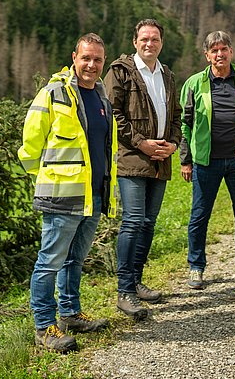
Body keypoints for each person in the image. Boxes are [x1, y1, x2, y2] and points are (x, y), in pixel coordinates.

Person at [19, 33, 117, 352]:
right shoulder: (53, 93)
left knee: (75, 258)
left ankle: (70, 314)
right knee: (50, 261)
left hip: (94, 194)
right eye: (86, 57)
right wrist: (48, 177)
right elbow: (30, 145)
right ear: (74, 57)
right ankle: (44, 326)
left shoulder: (102, 98)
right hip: (62, 195)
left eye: (98, 59)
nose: (91, 64)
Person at [104, 18, 182, 320]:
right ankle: (124, 291)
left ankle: (136, 282)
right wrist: (142, 143)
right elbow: (114, 114)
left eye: (155, 39)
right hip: (132, 158)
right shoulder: (120, 72)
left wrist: (173, 143)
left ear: (161, 43)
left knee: (149, 223)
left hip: (161, 159)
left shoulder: (167, 74)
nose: (150, 43)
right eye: (144, 39)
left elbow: (175, 114)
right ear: (135, 41)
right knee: (133, 221)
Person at [179, 31, 235, 291]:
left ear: (231, 51)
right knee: (200, 215)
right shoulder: (193, 83)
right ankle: (196, 266)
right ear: (207, 55)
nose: (219, 54)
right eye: (214, 50)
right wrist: (185, 161)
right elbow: (185, 124)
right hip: (205, 161)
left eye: (224, 49)